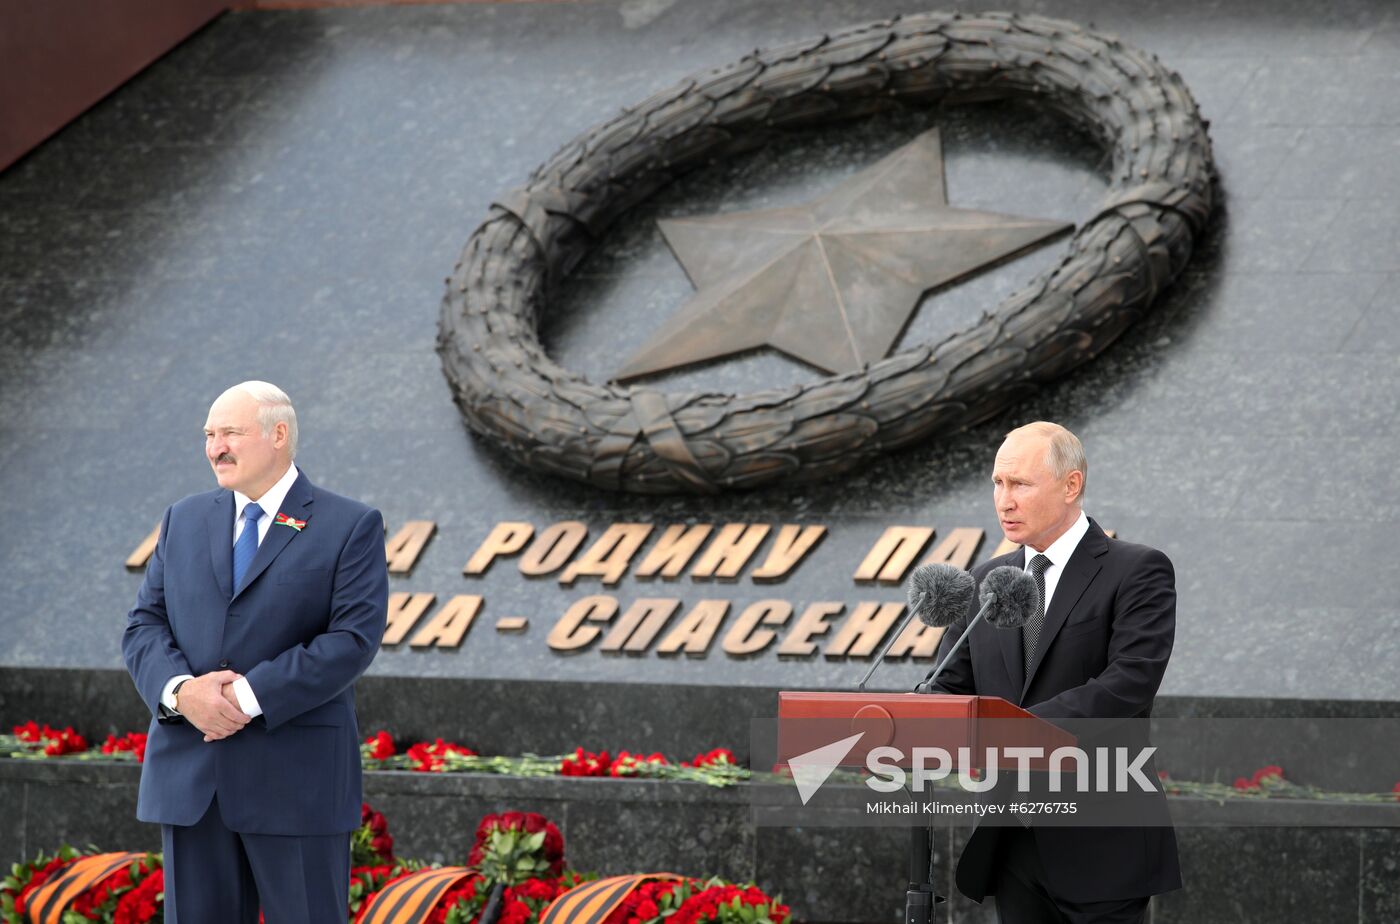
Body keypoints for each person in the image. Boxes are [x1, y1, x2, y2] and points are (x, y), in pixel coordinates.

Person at [123, 381, 387, 923]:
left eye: (230, 433)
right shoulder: (184, 519)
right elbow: (145, 624)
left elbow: (351, 640)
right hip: (193, 780)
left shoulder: (349, 525)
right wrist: (182, 693)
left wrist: (243, 697)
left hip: (295, 781)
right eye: (209, 434)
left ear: (279, 434)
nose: (215, 447)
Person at [921, 421, 1181, 923]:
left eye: (1019, 484)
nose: (1004, 500)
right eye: (997, 483)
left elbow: (1129, 682)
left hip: (1104, 842)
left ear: (1071, 486)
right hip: (1011, 840)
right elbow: (950, 688)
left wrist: (1019, 730)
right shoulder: (982, 584)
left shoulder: (1137, 570)